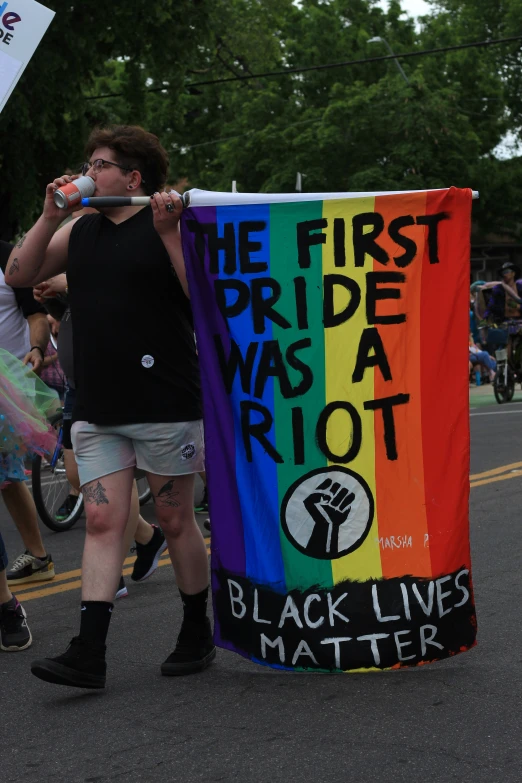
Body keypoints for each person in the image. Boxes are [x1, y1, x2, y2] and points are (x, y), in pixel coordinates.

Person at [7, 125, 213, 689]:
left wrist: (171, 233)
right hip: (97, 402)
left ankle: (197, 626)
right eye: (88, 163)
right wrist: (49, 214)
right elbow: (19, 274)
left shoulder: (166, 222)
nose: (88, 172)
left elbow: (204, 298)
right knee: (101, 519)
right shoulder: (78, 230)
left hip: (165, 399)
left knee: (173, 519)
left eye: (100, 165)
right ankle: (88, 651)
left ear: (133, 177)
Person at [33, 272, 168, 593]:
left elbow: (120, 291)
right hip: (77, 386)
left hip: (116, 379)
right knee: (77, 475)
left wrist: (67, 284)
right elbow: (69, 308)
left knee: (117, 480)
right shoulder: (75, 238)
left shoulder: (118, 237)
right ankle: (149, 538)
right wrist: (49, 296)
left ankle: (112, 571)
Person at [0, 240, 55, 586]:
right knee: (7, 478)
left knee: (7, 476)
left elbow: (36, 315)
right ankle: (37, 555)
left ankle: (37, 556)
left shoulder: (9, 258)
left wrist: (36, 348)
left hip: (10, 388)